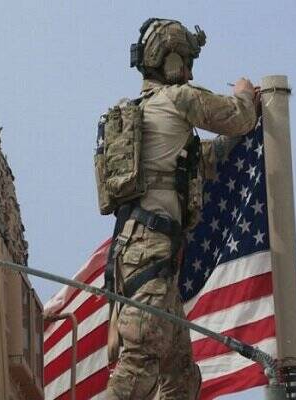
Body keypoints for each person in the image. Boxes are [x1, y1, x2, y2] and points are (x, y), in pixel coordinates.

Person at [103, 18, 259, 400]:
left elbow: (196, 162)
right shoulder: (178, 99)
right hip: (150, 250)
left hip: (143, 252)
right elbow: (239, 118)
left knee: (181, 377)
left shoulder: (145, 115)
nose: (189, 72)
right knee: (139, 366)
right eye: (186, 62)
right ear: (172, 60)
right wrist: (244, 95)